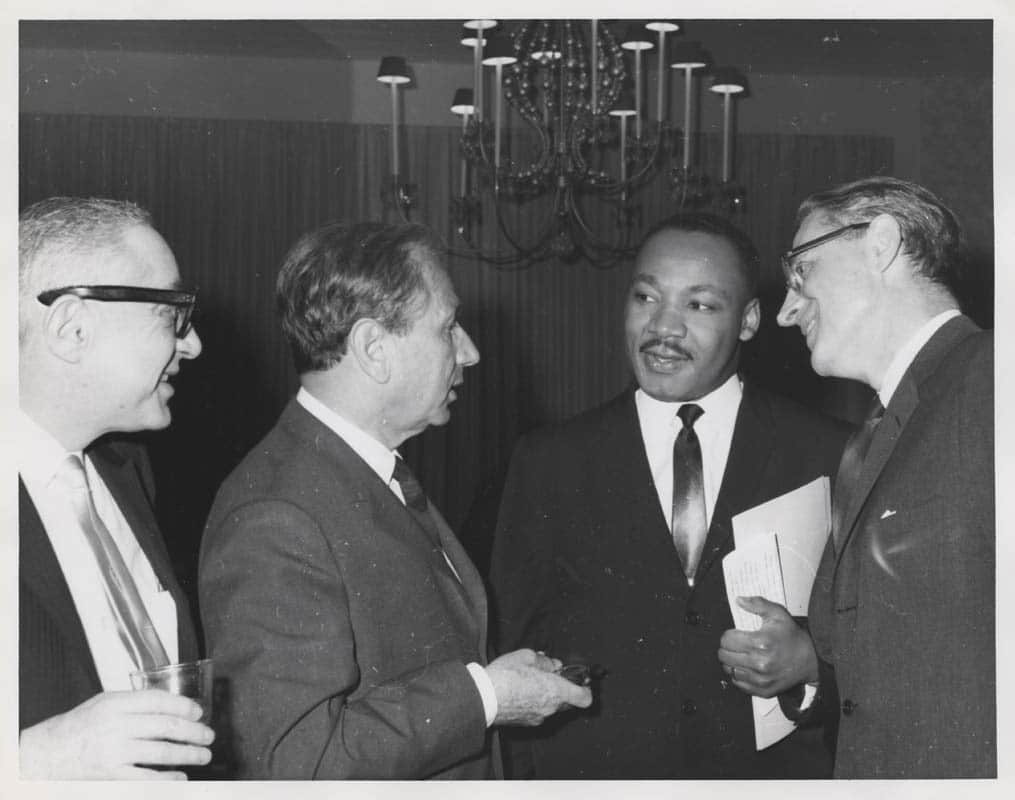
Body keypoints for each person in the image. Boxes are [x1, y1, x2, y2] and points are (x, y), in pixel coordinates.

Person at [198, 221, 591, 779]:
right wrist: (486, 695)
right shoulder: (275, 515)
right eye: (449, 327)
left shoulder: (363, 471)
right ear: (372, 349)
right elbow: (295, 765)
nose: (471, 352)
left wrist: (496, 683)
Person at [489, 212, 850, 778]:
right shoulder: (547, 460)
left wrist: (811, 667)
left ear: (750, 320)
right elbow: (510, 648)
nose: (664, 327)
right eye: (646, 297)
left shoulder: (828, 453)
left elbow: (882, 648)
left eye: (700, 305)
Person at [717, 176, 995, 778]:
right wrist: (808, 662)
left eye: (801, 272)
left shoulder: (992, 379)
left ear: (881, 244)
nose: (787, 311)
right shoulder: (864, 445)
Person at [18, 197, 213, 779]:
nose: (193, 343)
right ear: (72, 327)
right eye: (172, 312)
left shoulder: (129, 473)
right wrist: (33, 761)